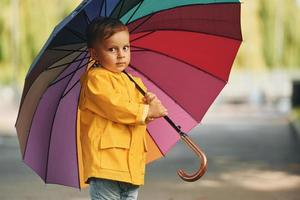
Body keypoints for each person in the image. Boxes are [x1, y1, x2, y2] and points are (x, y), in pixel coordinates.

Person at [78, 16, 168, 200]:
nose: (121, 54)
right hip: (107, 165)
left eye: (125, 48)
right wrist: (145, 111)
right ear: (94, 54)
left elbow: (136, 120)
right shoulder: (95, 79)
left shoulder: (134, 82)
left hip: (131, 168)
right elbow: (115, 107)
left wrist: (148, 107)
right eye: (112, 49)